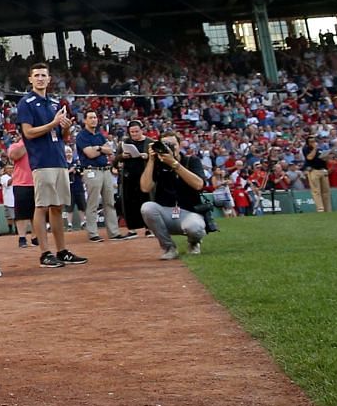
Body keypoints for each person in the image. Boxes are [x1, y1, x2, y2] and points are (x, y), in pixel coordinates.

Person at [15, 63, 85, 269]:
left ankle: (62, 250)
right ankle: (44, 252)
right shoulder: (26, 102)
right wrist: (54, 124)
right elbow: (27, 132)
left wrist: (66, 128)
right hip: (41, 160)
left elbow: (63, 137)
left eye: (43, 75)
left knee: (57, 206)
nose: (39, 78)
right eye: (36, 75)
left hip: (59, 158)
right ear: (30, 79)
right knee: (42, 205)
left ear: (49, 78)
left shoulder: (55, 102)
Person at [139, 133, 208, 258]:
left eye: (172, 145)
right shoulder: (157, 164)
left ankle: (193, 243)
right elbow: (145, 187)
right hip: (166, 212)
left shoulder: (191, 161)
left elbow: (199, 185)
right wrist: (151, 160)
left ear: (179, 145)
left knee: (195, 228)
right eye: (165, 145)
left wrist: (174, 164)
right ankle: (169, 248)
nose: (169, 148)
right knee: (147, 207)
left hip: (190, 212)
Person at [74, 109, 128, 241]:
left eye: (95, 117)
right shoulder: (81, 136)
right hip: (91, 170)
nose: (94, 120)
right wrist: (100, 149)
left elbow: (110, 150)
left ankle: (114, 233)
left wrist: (98, 148)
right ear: (85, 120)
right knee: (93, 203)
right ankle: (93, 233)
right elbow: (90, 154)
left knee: (109, 202)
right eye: (91, 117)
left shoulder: (99, 135)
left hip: (105, 170)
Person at [304, 135, 332, 213]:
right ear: (308, 143)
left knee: (326, 191)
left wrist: (327, 156)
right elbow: (309, 157)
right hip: (314, 171)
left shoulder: (320, 149)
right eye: (311, 142)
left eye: (314, 141)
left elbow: (323, 159)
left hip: (322, 170)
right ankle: (320, 208)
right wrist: (315, 148)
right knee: (316, 191)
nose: (313, 143)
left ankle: (327, 209)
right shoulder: (306, 149)